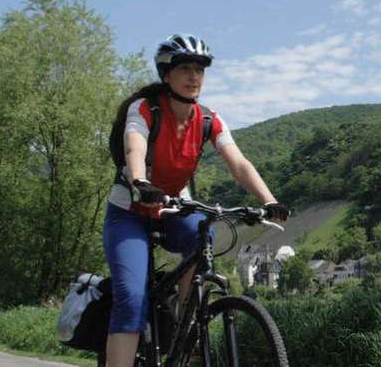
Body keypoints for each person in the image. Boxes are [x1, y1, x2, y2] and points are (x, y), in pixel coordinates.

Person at [102, 34, 287, 367]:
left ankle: (184, 319)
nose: (194, 77)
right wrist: (141, 181)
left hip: (172, 208)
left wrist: (269, 201)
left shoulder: (207, 119)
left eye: (200, 70)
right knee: (131, 299)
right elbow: (134, 146)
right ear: (166, 74)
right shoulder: (145, 109)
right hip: (129, 212)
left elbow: (239, 163)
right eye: (185, 69)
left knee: (203, 233)